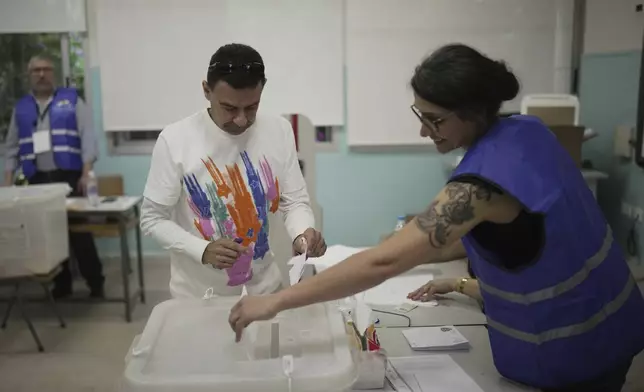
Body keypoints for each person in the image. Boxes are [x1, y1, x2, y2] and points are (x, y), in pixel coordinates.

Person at [229, 44, 644, 392]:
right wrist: (462, 282)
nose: (425, 131)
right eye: (420, 115)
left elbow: (384, 262)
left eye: (436, 119)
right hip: (612, 321)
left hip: (577, 349)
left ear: (474, 110)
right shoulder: (528, 131)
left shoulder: (479, 187)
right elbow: (530, 238)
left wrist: (275, 302)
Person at [140, 43, 326, 299]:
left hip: (265, 291)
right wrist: (202, 249)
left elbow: (294, 202)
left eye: (251, 108)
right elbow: (152, 219)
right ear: (206, 90)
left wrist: (302, 234)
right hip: (198, 297)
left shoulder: (279, 131)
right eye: (229, 108)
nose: (241, 120)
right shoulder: (175, 140)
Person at [3, 54, 104, 299]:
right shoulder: (22, 108)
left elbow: (88, 136)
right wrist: (6, 185)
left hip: (70, 177)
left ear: (53, 73)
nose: (41, 74)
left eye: (46, 69)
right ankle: (62, 285)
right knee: (47, 235)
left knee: (79, 233)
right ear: (29, 75)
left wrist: (86, 172)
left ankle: (95, 282)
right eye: (36, 70)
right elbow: (11, 147)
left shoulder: (71, 101)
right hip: (37, 180)